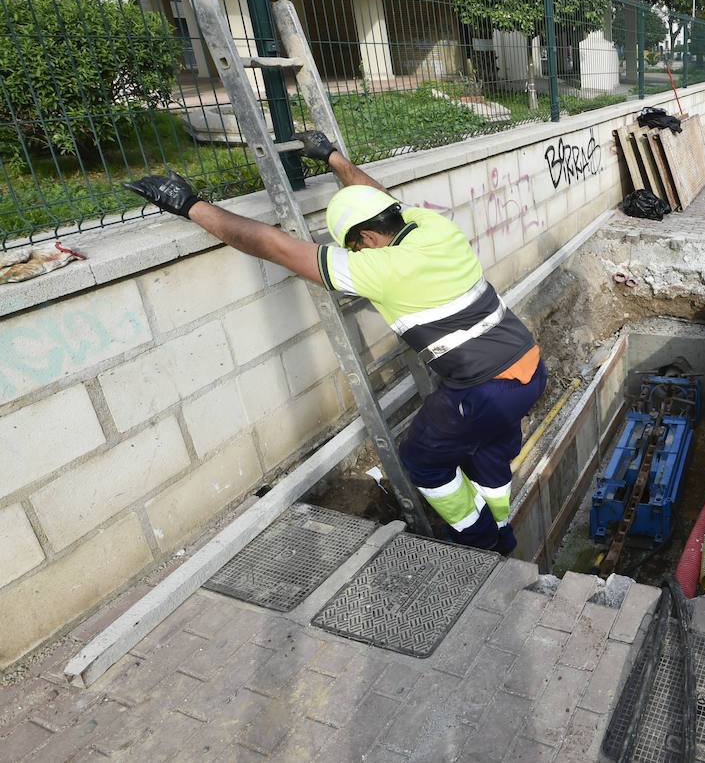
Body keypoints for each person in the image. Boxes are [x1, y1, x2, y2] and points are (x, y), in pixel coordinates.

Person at [124, 131, 545, 554]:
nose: (354, 254)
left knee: (423, 460)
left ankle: (480, 543)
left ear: (367, 239)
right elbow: (375, 195)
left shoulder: (379, 268)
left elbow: (275, 246)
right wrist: (333, 158)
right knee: (488, 450)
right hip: (529, 366)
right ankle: (503, 527)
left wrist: (191, 205)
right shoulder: (432, 227)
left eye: (354, 247)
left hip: (483, 389)